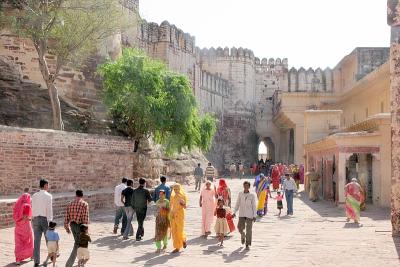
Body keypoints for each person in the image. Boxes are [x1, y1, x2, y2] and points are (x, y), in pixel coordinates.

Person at [64, 190, 89, 267]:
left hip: (72, 226)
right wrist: (86, 230)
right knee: (78, 244)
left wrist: (67, 228)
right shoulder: (84, 204)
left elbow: (66, 217)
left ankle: (80, 263)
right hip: (80, 226)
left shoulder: (70, 204)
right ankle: (69, 264)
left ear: (76, 195)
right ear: (82, 196)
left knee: (79, 244)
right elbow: (85, 218)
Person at [32, 178, 53, 267]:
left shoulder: (34, 195)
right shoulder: (48, 196)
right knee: (48, 239)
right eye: (47, 185)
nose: (48, 187)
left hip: (36, 218)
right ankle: (52, 256)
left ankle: (36, 262)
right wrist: (50, 220)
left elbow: (33, 207)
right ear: (44, 185)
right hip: (44, 219)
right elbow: (49, 209)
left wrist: (33, 217)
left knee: (36, 241)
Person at [233, 181, 257, 250]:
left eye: (247, 186)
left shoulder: (252, 195)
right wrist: (234, 212)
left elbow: (254, 206)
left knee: (249, 230)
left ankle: (247, 244)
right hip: (242, 213)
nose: (246, 187)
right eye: (245, 185)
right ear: (243, 186)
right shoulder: (240, 194)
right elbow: (237, 203)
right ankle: (243, 234)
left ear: (249, 187)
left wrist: (254, 215)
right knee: (239, 227)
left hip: (250, 214)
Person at [13, 189, 33, 265]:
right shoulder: (27, 206)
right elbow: (26, 217)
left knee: (18, 243)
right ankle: (31, 255)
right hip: (26, 227)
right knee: (29, 241)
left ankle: (18, 259)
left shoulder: (17, 205)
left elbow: (16, 216)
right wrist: (31, 218)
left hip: (18, 227)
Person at [170, 183, 188, 253]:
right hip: (173, 215)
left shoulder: (182, 196)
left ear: (179, 189)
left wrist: (183, 204)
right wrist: (170, 213)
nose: (175, 190)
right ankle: (177, 247)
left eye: (177, 189)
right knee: (174, 231)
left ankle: (183, 240)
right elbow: (171, 206)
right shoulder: (173, 196)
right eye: (174, 189)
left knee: (180, 230)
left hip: (180, 215)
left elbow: (185, 207)